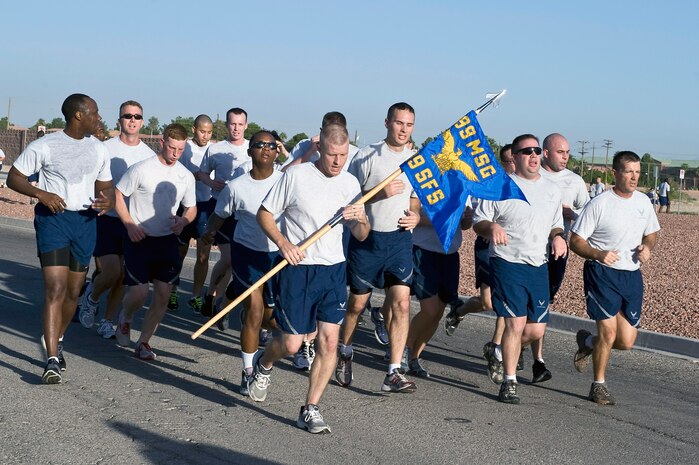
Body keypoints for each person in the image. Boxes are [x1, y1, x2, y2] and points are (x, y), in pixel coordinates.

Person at [247, 123, 370, 434]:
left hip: (333, 269)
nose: (337, 161)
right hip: (298, 269)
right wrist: (283, 243)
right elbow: (265, 213)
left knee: (329, 342)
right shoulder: (296, 176)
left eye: (343, 155)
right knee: (290, 344)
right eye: (332, 154)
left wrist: (358, 221)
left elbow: (362, 232)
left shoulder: (351, 183)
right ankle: (263, 364)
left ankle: (310, 408)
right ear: (320, 149)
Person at [7, 93, 113, 384]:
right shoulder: (45, 145)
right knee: (55, 287)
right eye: (95, 112)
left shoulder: (99, 149)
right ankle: (51, 359)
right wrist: (41, 193)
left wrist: (109, 202)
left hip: (85, 222)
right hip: (54, 220)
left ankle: (57, 336)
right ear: (79, 115)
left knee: (73, 292)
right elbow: (13, 178)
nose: (99, 118)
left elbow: (107, 186)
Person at [473, 134, 566, 404]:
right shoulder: (499, 187)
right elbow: (479, 221)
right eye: (527, 151)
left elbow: (555, 224)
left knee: (536, 330)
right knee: (515, 323)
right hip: (507, 262)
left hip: (538, 264)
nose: (534, 155)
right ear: (514, 157)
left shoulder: (551, 190)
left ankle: (499, 351)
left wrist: (558, 237)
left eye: (537, 150)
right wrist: (491, 228)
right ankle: (509, 382)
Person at [337, 102, 420, 392]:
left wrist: (416, 215)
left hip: (399, 240)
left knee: (402, 304)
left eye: (409, 124)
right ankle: (344, 352)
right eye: (399, 123)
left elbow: (414, 197)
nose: (403, 129)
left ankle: (393, 372)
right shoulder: (368, 156)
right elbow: (349, 198)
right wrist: (379, 194)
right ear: (387, 123)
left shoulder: (415, 159)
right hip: (368, 240)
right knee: (357, 306)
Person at [570, 151, 660, 405]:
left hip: (631, 276)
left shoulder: (643, 202)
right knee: (608, 334)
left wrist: (647, 247)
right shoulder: (599, 204)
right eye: (629, 172)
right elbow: (575, 240)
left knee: (626, 341)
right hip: (601, 274)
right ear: (615, 173)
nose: (634, 177)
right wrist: (599, 254)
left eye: (637, 172)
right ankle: (598, 386)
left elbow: (652, 232)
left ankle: (587, 342)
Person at [202, 130, 282, 394]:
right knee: (256, 312)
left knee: (272, 320)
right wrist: (208, 233)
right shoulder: (236, 187)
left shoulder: (286, 181)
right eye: (259, 145)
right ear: (250, 151)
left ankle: (257, 346)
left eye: (271, 146)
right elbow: (219, 215)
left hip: (278, 255)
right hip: (247, 253)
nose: (265, 150)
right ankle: (249, 371)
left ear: (276, 151)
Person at [113, 124, 196, 360]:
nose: (175, 153)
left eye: (180, 149)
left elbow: (192, 207)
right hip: (139, 238)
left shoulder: (185, 176)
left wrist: (183, 220)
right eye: (171, 147)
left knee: (162, 295)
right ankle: (125, 318)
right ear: (162, 142)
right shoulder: (141, 169)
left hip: (167, 241)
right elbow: (119, 195)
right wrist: (129, 224)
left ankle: (144, 342)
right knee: (139, 294)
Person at [77, 101, 156, 338]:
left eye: (137, 116)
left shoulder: (149, 155)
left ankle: (108, 321)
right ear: (119, 120)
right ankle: (91, 296)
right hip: (105, 218)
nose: (132, 120)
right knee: (110, 272)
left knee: (123, 275)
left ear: (142, 121)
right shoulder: (104, 148)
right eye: (127, 116)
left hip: (132, 222)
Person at [445, 144, 514, 384]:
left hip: (511, 251)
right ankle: (459, 311)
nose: (515, 164)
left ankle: (495, 346)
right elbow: (475, 216)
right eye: (510, 161)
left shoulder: (524, 185)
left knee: (505, 302)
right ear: (503, 163)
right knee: (487, 302)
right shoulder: (489, 183)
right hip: (487, 246)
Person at [528, 133, 590, 383]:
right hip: (528, 249)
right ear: (545, 153)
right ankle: (537, 360)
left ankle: (520, 346)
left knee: (542, 303)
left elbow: (586, 216)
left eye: (567, 153)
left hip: (556, 250)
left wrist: (569, 212)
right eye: (560, 152)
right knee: (529, 304)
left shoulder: (574, 182)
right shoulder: (532, 175)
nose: (565, 157)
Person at [405, 205, 478, 378]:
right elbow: (413, 218)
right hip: (424, 252)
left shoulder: (462, 187)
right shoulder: (426, 183)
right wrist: (442, 220)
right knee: (429, 310)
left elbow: (464, 226)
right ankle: (403, 349)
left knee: (437, 313)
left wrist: (467, 218)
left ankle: (414, 357)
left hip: (450, 255)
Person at [195, 108, 250, 316]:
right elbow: (202, 173)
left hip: (243, 212)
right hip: (221, 208)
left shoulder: (251, 148)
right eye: (232, 123)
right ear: (226, 125)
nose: (236, 128)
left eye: (239, 124)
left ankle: (219, 302)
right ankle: (211, 295)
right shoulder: (215, 149)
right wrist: (212, 183)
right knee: (227, 259)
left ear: (245, 125)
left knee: (234, 263)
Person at [176, 115, 214, 314]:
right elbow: (176, 175)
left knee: (203, 255)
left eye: (209, 132)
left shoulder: (213, 150)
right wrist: (196, 176)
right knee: (180, 252)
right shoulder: (184, 149)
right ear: (194, 129)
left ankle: (196, 296)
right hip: (185, 205)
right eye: (202, 131)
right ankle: (173, 289)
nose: (205, 136)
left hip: (206, 207)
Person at [280, 111, 359, 172]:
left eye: (342, 155)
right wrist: (309, 152)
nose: (337, 161)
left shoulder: (356, 154)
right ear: (321, 131)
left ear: (346, 131)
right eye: (330, 132)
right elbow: (283, 172)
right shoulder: (304, 145)